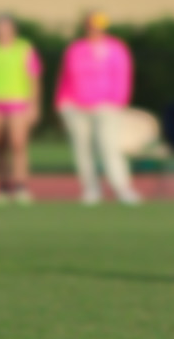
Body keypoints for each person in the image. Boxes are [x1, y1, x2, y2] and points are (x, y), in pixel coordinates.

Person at [55, 12, 142, 206]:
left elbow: (123, 77)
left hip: (106, 106)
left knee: (109, 146)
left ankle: (122, 187)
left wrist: (118, 101)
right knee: (82, 149)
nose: (94, 30)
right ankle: (91, 189)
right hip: (76, 106)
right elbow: (65, 77)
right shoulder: (75, 49)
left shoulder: (116, 49)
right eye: (91, 26)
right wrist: (62, 102)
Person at [0, 15, 42, 205]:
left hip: (18, 101)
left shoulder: (24, 48)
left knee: (18, 143)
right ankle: (2, 187)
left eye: (6, 28)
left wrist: (34, 104)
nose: (2, 32)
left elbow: (34, 78)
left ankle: (21, 186)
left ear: (13, 30)